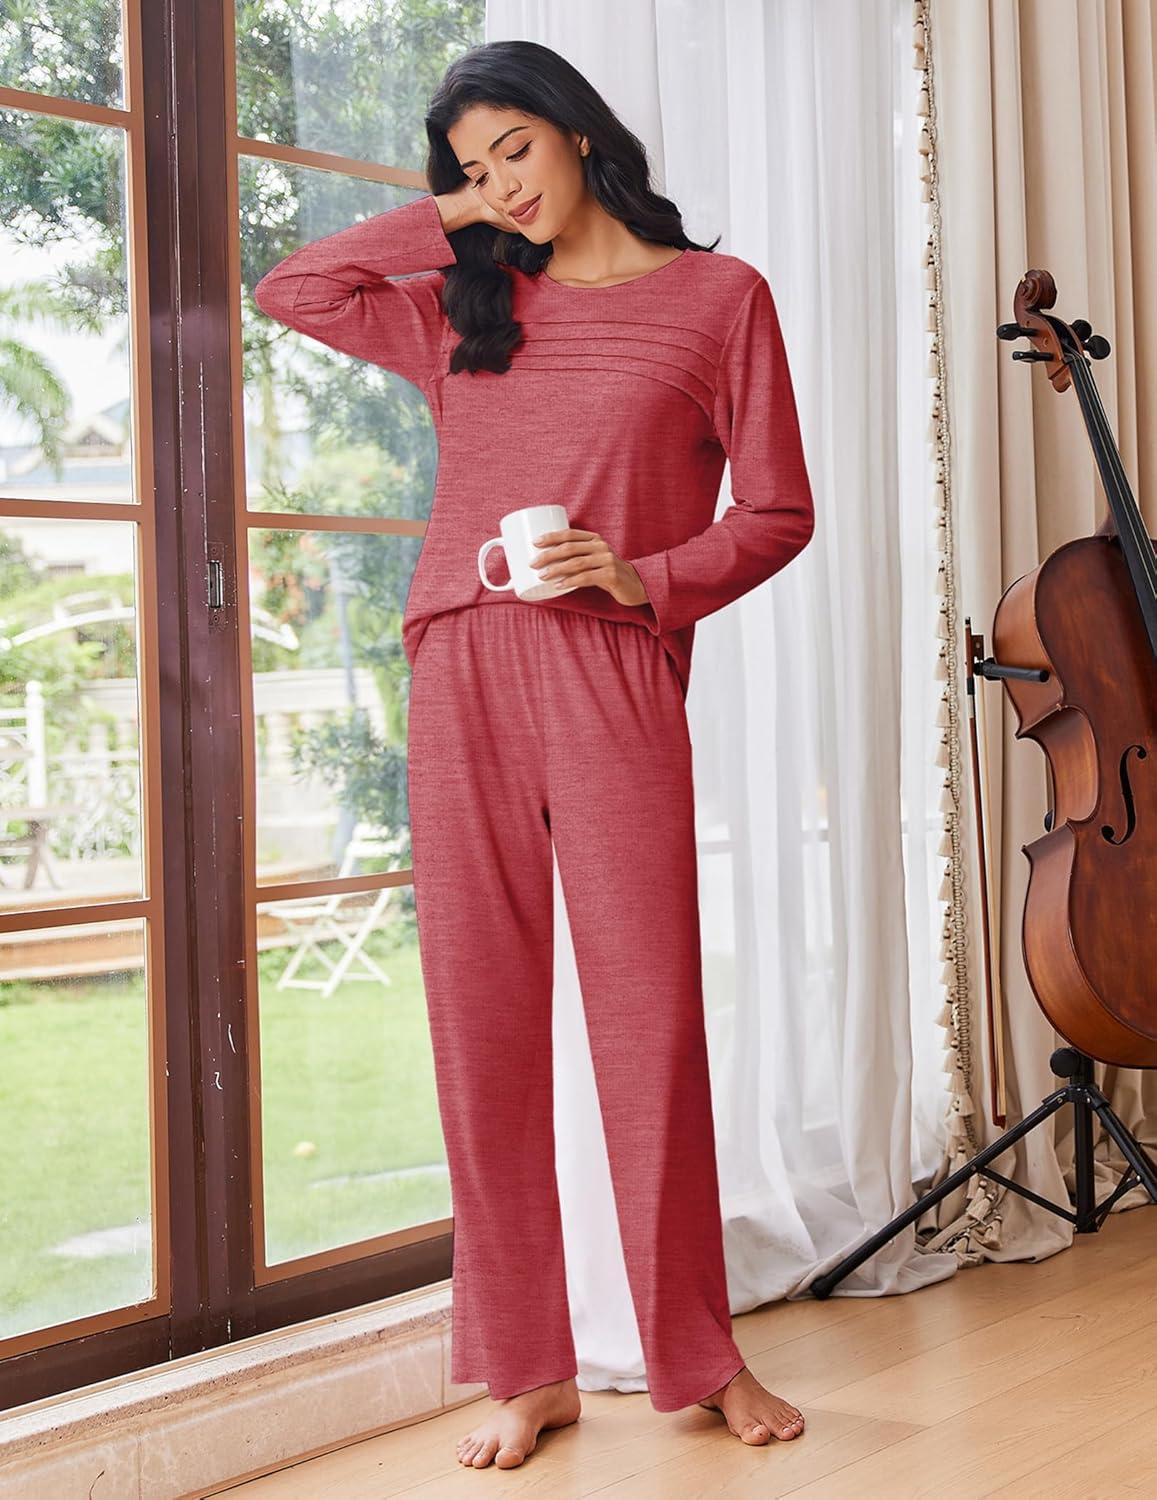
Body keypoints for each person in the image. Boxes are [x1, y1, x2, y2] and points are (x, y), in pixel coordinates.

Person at [254, 37, 814, 1473]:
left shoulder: (719, 301)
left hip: (612, 667)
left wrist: (641, 577)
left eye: (515, 148)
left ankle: (698, 1355)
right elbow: (291, 288)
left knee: (648, 1022)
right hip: (462, 666)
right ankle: (526, 1367)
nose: (501, 182)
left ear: (579, 132)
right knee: (482, 1026)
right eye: (470, 166)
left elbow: (776, 512)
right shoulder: (467, 308)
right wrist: (456, 217)